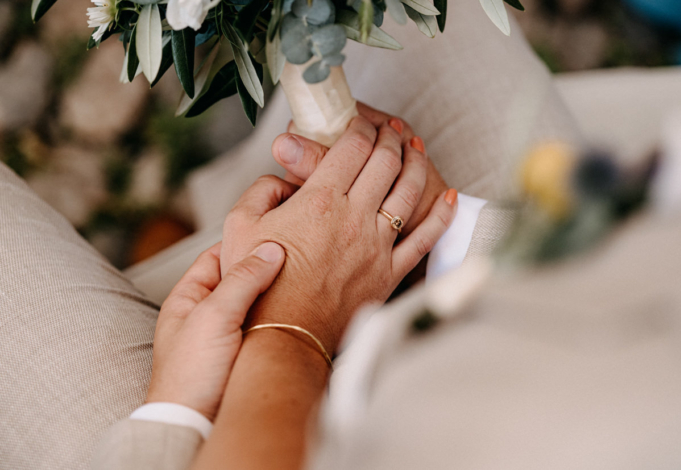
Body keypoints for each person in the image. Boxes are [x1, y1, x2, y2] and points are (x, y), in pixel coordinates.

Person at [0, 1, 594, 469]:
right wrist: (456, 243)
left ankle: (208, 231)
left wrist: (286, 330)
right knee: (439, 33)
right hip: (559, 349)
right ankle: (239, 209)